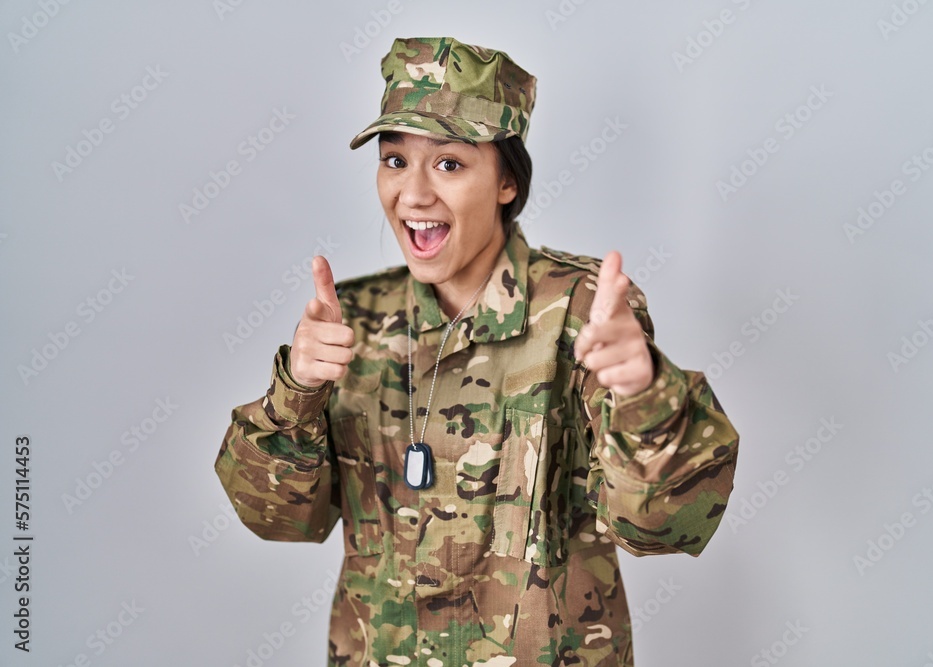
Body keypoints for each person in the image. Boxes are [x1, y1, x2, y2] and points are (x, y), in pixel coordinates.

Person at [214, 36, 740, 666]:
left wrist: (644, 394)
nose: (411, 195)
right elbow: (278, 520)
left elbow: (662, 525)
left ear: (507, 183)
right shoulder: (353, 319)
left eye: (449, 164)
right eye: (393, 160)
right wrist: (294, 392)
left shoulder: (580, 308)